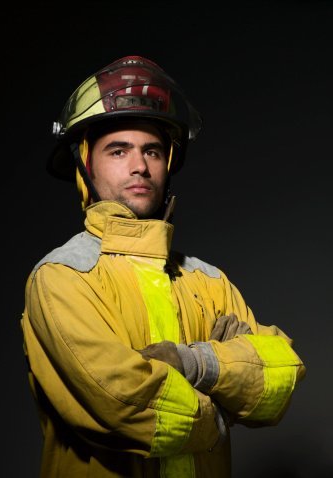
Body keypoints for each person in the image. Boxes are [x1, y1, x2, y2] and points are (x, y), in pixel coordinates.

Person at [21, 55, 306, 478]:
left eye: (152, 150)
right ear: (84, 166)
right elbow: (124, 402)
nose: (140, 166)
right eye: (118, 151)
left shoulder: (207, 280)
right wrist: (228, 391)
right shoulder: (62, 278)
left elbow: (280, 379)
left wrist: (197, 364)